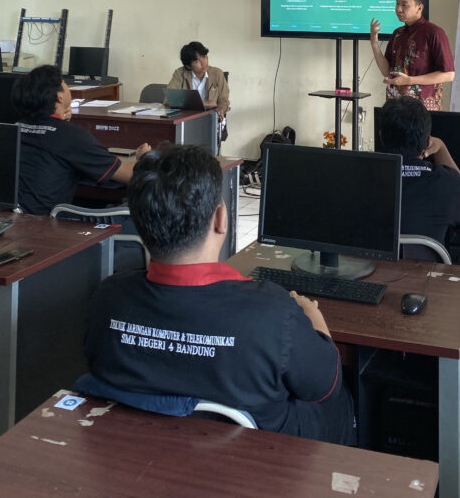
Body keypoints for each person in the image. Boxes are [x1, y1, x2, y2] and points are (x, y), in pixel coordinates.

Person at [80, 143, 355, 442]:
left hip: (140, 449)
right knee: (341, 401)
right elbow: (325, 386)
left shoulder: (107, 298)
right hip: (256, 456)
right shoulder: (273, 313)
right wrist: (315, 320)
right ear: (220, 219)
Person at [12, 64, 150, 215]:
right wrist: (143, 159)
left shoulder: (15, 127)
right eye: (65, 83)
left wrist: (62, 122)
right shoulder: (70, 135)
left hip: (9, 217)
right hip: (42, 223)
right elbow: (130, 175)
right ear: (59, 97)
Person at [377, 95, 460, 251]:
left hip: (367, 265)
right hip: (425, 266)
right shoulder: (448, 184)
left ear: (381, 136)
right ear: (428, 142)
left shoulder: (359, 178)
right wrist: (441, 147)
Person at [370, 0, 454, 111]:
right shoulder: (397, 33)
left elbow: (448, 75)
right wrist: (374, 44)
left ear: (419, 8)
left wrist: (410, 80)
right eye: (397, 4)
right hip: (395, 106)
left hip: (422, 109)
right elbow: (386, 71)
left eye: (404, 5)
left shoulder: (434, 33)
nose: (398, 9)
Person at [168, 41, 229, 140]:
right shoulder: (180, 74)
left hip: (210, 119)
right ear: (188, 66)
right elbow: (170, 99)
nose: (204, 63)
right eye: (197, 61)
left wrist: (220, 110)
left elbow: (224, 100)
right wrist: (206, 103)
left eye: (204, 57)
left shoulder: (217, 74)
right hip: (186, 120)